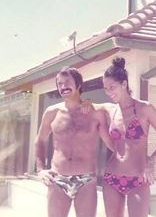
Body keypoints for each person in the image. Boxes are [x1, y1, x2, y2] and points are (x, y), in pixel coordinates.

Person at [34, 66, 113, 217]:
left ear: (79, 84)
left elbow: (110, 142)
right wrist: (40, 170)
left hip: (86, 180)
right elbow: (40, 141)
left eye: (67, 82)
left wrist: (134, 157)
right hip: (57, 179)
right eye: (59, 84)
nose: (63, 87)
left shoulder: (95, 112)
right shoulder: (52, 112)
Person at [100, 57, 156, 217]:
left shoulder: (145, 108)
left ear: (124, 84)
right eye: (106, 88)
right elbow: (87, 107)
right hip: (112, 176)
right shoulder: (110, 109)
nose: (109, 92)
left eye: (112, 87)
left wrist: (152, 160)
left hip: (138, 178)